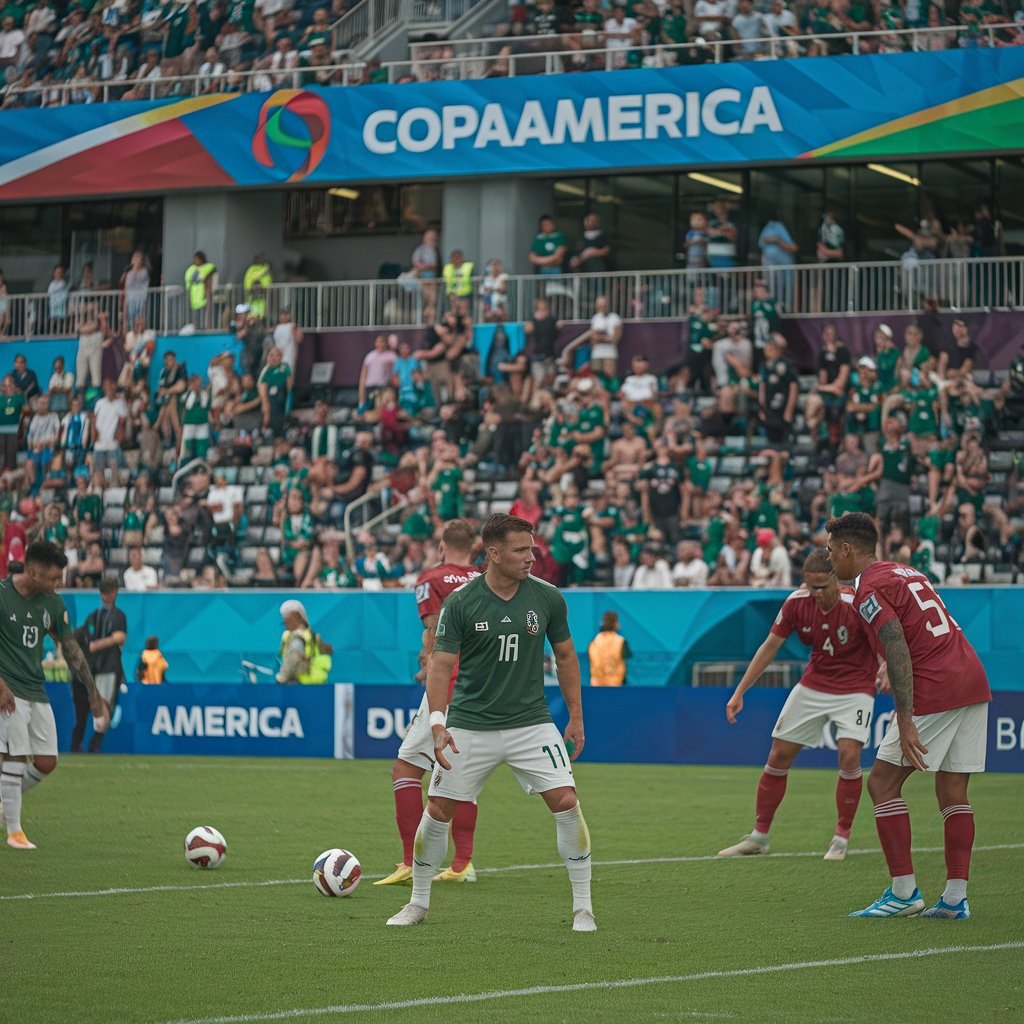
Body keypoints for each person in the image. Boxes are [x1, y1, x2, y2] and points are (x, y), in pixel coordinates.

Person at [386, 513, 594, 932]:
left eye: (531, 548)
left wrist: (575, 716)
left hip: (531, 723)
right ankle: (419, 902)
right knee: (439, 807)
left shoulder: (549, 598)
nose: (531, 557)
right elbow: (441, 667)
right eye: (520, 550)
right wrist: (439, 724)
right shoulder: (461, 604)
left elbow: (568, 657)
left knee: (567, 802)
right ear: (493, 553)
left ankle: (583, 908)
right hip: (469, 724)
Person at [825, 512, 992, 919]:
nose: (829, 560)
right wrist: (885, 662)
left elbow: (897, 642)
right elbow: (915, 628)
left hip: (935, 686)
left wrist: (904, 716)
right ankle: (954, 899)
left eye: (831, 551)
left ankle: (904, 893)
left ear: (848, 549)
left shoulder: (867, 588)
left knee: (882, 784)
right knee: (953, 792)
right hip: (971, 677)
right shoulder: (904, 571)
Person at [719, 550, 882, 862]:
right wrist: (739, 692)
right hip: (814, 683)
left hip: (856, 686)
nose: (816, 594)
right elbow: (769, 647)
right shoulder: (796, 602)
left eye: (822, 587)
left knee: (849, 754)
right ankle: (759, 837)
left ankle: (841, 837)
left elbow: (884, 640)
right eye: (811, 587)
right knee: (778, 755)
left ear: (837, 580)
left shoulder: (857, 604)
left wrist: (886, 667)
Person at [376, 519, 483, 887]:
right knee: (459, 777)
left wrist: (429, 666)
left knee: (405, 770)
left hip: (449, 686)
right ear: (475, 547)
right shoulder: (488, 578)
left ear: (441, 546)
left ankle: (410, 861)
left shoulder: (431, 579)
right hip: (484, 689)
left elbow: (436, 628)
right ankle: (462, 863)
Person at [0, 542, 108, 849]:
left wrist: (93, 693)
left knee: (47, 761)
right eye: (53, 577)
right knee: (15, 756)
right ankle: (14, 831)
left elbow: (71, 648)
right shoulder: (2, 596)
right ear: (33, 571)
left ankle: (4, 799)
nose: (57, 583)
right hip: (9, 690)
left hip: (36, 688)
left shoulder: (52, 604)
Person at [70, 578, 127, 754]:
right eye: (103, 592)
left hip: (107, 668)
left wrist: (97, 645)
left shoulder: (118, 616)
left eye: (108, 592)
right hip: (89, 670)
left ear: (114, 593)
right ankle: (78, 744)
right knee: (86, 709)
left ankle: (95, 743)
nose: (105, 596)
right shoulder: (94, 616)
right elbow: (80, 636)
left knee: (103, 707)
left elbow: (120, 638)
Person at [276, 599, 330, 684]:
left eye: (286, 620)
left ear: (296, 617)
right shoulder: (311, 635)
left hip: (298, 684)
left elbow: (294, 657)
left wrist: (281, 678)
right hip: (313, 684)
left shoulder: (297, 637)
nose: (285, 624)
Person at [588, 610, 631, 686]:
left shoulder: (594, 642)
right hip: (615, 685)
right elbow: (627, 657)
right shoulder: (621, 641)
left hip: (596, 685)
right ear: (616, 624)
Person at [185, 251, 216, 329]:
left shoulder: (207, 267)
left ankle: (205, 329)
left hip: (204, 296)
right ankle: (196, 328)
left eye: (198, 259)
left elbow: (212, 268)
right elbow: (188, 281)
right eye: (195, 259)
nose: (196, 261)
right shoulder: (191, 269)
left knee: (205, 315)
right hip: (194, 297)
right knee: (195, 316)